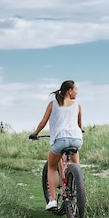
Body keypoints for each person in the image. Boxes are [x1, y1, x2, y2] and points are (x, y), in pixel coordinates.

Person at [29, 80, 83, 210]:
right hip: (76, 139)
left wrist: (35, 133)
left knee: (52, 167)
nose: (77, 91)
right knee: (76, 164)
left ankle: (52, 200)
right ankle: (78, 181)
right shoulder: (77, 105)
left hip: (60, 139)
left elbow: (43, 123)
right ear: (69, 91)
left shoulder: (52, 104)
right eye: (76, 89)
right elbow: (79, 125)